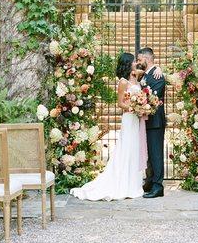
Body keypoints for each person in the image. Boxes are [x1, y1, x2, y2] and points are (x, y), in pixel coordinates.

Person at [70, 53, 145, 201]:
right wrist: (133, 108)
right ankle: (123, 184)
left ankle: (133, 184)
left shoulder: (135, 78)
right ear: (128, 63)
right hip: (129, 118)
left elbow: (142, 88)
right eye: (133, 61)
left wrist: (142, 105)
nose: (136, 63)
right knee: (127, 148)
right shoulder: (123, 82)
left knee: (135, 149)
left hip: (137, 120)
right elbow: (120, 103)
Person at [137, 47, 166, 198]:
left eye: (140, 59)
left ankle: (158, 186)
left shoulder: (157, 76)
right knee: (148, 154)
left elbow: (152, 98)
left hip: (155, 122)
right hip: (146, 122)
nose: (138, 62)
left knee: (156, 154)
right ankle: (149, 180)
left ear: (147, 60)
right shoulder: (145, 75)